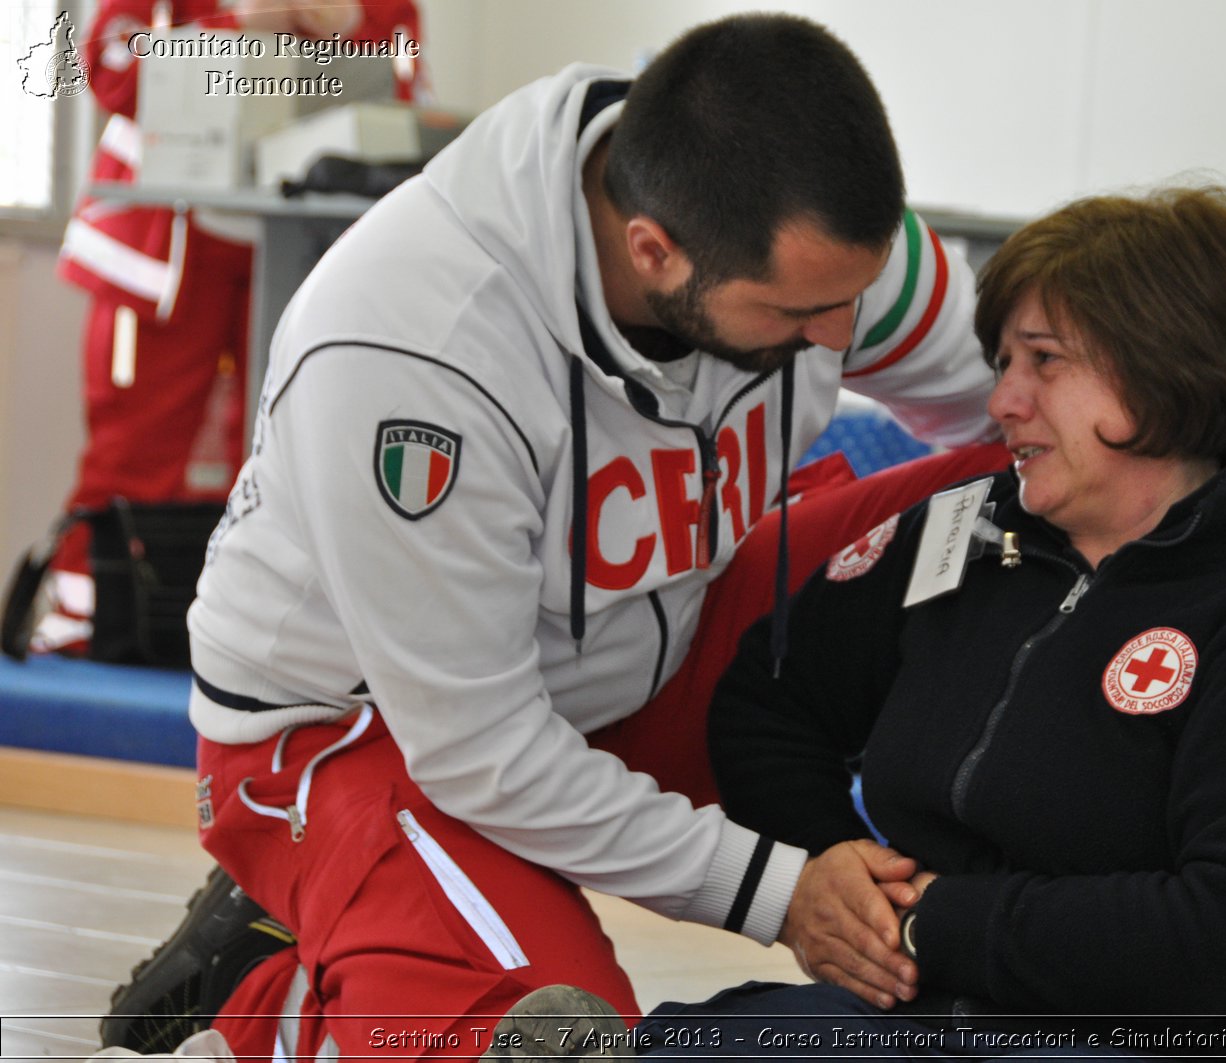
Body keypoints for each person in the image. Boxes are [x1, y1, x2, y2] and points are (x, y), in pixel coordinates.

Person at [101, 13, 1012, 1060]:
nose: (840, 338)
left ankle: (1009, 881)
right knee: (557, 1045)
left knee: (1029, 486)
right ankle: (274, 1001)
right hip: (369, 735)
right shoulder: (413, 346)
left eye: (848, 302)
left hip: (643, 645)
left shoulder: (816, 249)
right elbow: (480, 749)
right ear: (652, 251)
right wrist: (782, 891)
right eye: (798, 315)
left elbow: (1022, 412)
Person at [525, 185, 1226, 1061]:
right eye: (1002, 361)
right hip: (913, 1015)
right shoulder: (966, 530)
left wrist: (933, 922)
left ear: (1164, 372)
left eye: (1043, 362)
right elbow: (770, 699)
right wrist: (838, 880)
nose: (1005, 400)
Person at [36, 0, 423, 653]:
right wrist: (237, 25)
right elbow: (111, 68)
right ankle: (87, 628)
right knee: (133, 454)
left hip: (301, 253)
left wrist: (353, 27)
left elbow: (403, 94)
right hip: (162, 253)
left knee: (295, 460)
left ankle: (257, 643)